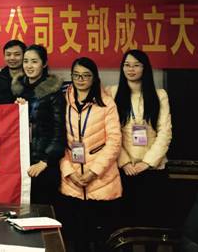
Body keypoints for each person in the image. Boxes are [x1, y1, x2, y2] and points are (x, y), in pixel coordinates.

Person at [59, 57, 122, 252]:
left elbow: (114, 142)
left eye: (86, 75)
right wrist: (70, 172)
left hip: (102, 181)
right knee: (77, 240)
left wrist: (93, 172)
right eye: (76, 75)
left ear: (94, 78)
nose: (80, 79)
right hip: (72, 183)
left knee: (102, 240)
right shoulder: (62, 101)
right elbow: (59, 142)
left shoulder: (107, 104)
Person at [108, 49, 172, 225]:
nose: (131, 69)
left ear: (145, 68)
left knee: (151, 221)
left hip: (153, 169)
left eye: (136, 65)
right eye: (127, 65)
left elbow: (165, 132)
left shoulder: (160, 95)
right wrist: (124, 162)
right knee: (124, 222)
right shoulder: (112, 93)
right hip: (123, 169)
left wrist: (147, 162)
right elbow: (110, 133)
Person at [11, 45, 65, 204]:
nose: (29, 66)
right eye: (26, 61)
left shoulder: (53, 93)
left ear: (44, 63)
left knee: (43, 208)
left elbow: (59, 131)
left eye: (34, 61)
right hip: (22, 160)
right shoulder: (18, 90)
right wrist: (15, 110)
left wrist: (45, 161)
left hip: (44, 163)